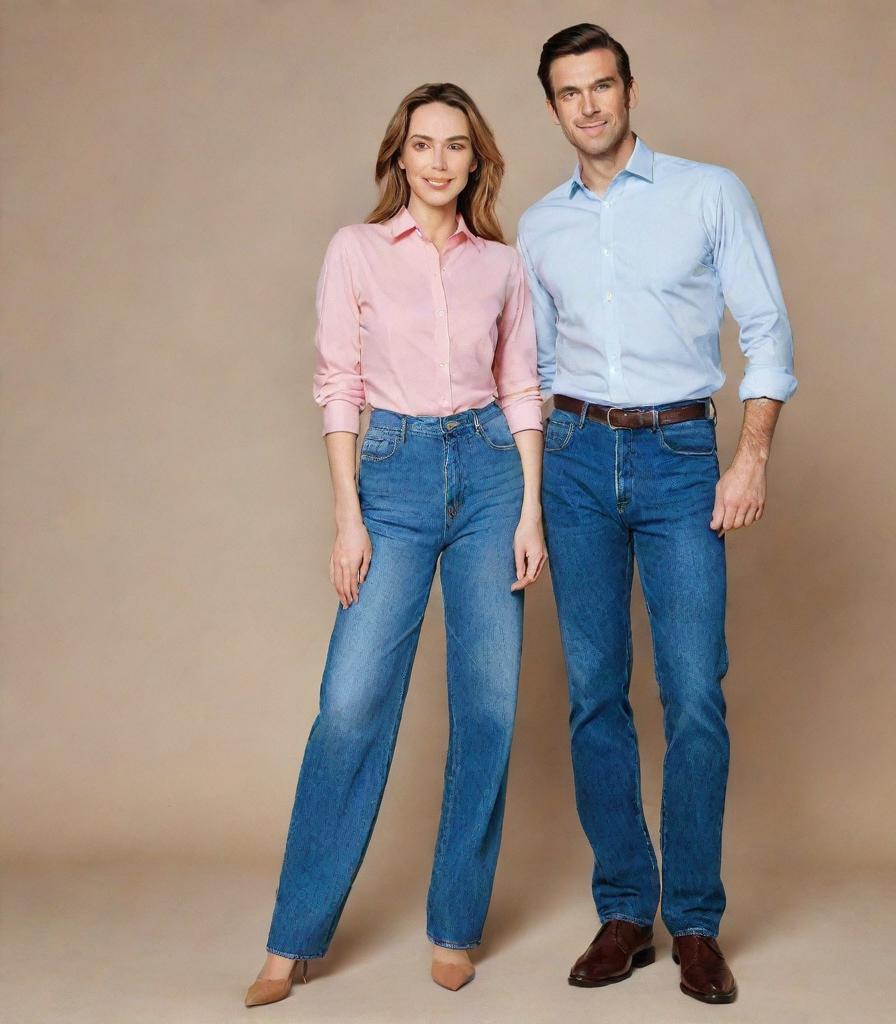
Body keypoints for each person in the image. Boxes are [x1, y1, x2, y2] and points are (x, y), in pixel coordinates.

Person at [244, 82, 545, 1008]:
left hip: (492, 475)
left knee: (489, 707)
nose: (441, 161)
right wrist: (349, 516)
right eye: (424, 145)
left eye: (458, 145)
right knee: (350, 704)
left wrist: (530, 510)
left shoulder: (503, 264)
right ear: (399, 156)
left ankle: (455, 924)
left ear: (477, 159)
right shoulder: (356, 251)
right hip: (395, 472)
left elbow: (523, 388)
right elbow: (338, 383)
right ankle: (293, 942)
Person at [517, 24, 797, 1005]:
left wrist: (749, 455)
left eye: (602, 86)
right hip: (577, 458)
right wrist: (530, 496)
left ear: (628, 91)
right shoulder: (539, 226)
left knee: (693, 692)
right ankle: (625, 910)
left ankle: (695, 922)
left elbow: (765, 331)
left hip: (683, 455)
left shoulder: (707, 192)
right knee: (593, 692)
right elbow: (536, 373)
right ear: (551, 107)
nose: (588, 105)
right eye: (569, 92)